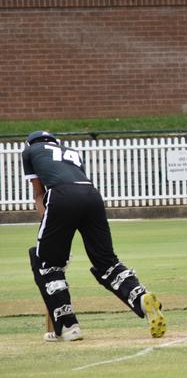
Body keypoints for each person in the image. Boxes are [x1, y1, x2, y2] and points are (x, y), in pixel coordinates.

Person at [22, 130, 166, 341]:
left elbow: (39, 194)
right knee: (106, 262)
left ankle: (68, 327)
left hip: (61, 196)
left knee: (46, 263)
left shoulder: (30, 151)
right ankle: (141, 297)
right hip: (92, 196)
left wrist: (48, 228)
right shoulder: (69, 151)